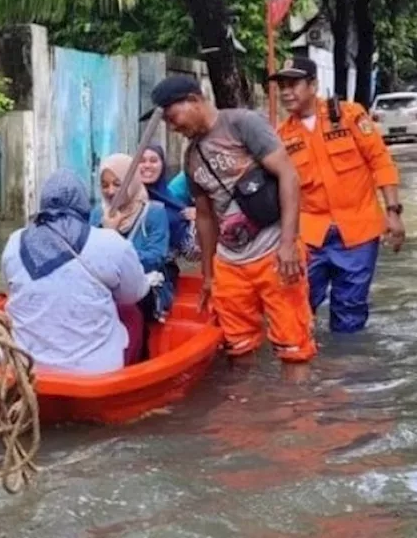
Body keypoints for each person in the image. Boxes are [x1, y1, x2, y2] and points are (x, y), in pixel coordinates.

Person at [146, 76, 316, 370]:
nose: (173, 128)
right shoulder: (191, 157)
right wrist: (209, 276)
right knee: (237, 348)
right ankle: (245, 410)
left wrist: (288, 244)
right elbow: (204, 215)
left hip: (273, 251)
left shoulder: (243, 124)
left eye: (173, 118)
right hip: (230, 263)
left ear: (194, 100)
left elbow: (289, 176)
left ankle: (296, 410)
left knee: (294, 346)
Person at [269, 57, 405, 334]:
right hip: (309, 237)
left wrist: (393, 212)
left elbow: (380, 161)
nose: (286, 92)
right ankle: (304, 369)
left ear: (314, 85)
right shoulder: (280, 137)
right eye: (281, 85)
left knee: (350, 311)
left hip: (358, 232)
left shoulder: (350, 116)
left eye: (293, 84)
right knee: (298, 306)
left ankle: (347, 369)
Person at [2, 169, 151, 373]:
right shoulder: (110, 241)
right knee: (132, 314)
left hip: (24, 367)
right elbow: (133, 293)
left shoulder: (14, 241)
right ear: (83, 204)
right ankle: (134, 380)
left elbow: (13, 288)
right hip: (93, 370)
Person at [92, 153, 173, 362]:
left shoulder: (154, 213)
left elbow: (156, 257)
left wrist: (113, 237)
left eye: (117, 184)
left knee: (131, 304)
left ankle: (139, 356)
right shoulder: (97, 214)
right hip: (104, 281)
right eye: (105, 185)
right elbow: (86, 254)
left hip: (146, 281)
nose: (110, 192)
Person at [138, 144, 200, 261]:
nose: (147, 165)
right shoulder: (123, 202)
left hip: (162, 274)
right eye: (141, 161)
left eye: (153, 161)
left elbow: (192, 253)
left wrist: (202, 219)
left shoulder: (173, 206)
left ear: (163, 166)